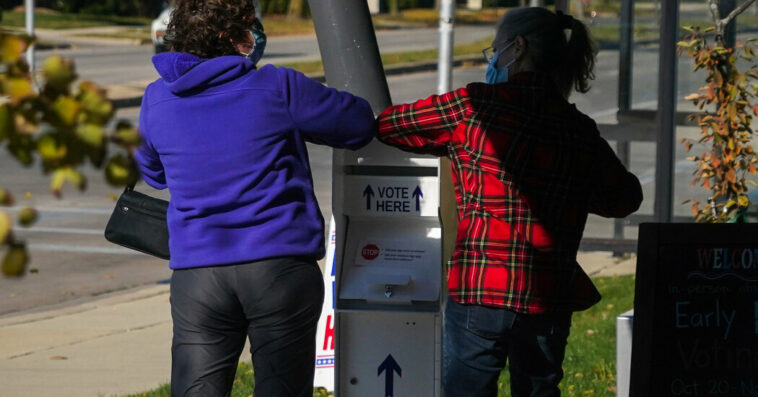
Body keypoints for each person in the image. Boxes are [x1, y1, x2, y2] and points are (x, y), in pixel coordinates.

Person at [376, 7, 642, 397]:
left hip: (481, 286)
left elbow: (389, 125)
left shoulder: (473, 106)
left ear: (517, 48)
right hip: (549, 294)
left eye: (495, 50)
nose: (492, 60)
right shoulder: (577, 131)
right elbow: (625, 198)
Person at [134, 0, 376, 395]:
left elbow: (153, 172)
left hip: (198, 274)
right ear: (234, 38)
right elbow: (357, 123)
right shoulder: (276, 85)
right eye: (250, 28)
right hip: (278, 266)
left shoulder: (156, 98)